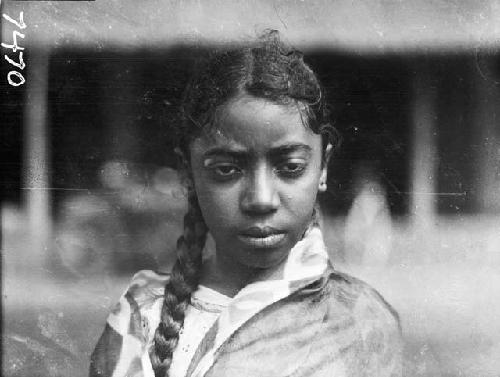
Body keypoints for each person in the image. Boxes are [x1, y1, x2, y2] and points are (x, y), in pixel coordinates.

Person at [89, 30, 402, 377]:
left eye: (290, 168)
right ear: (188, 173)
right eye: (226, 170)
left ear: (323, 168)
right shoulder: (142, 316)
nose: (261, 199)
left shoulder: (358, 320)